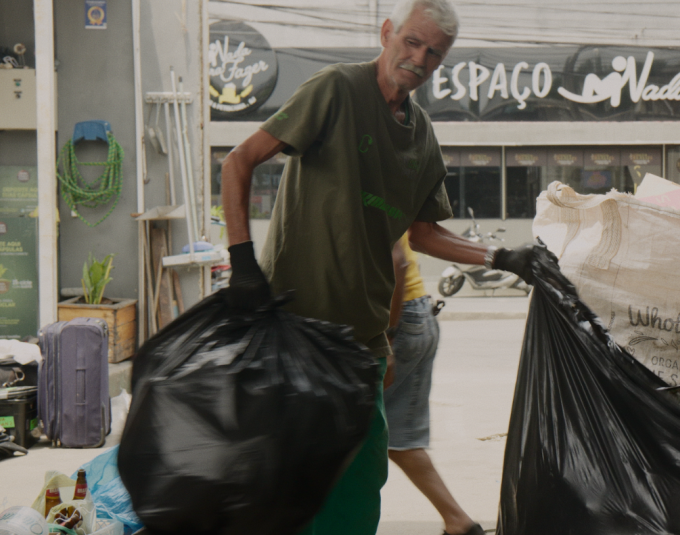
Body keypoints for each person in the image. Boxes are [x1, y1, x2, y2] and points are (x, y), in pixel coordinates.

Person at [219, 0, 537, 533]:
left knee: (358, 492)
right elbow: (238, 161)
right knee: (291, 489)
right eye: (412, 42)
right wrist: (242, 264)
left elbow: (422, 233)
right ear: (387, 32)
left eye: (434, 53)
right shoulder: (336, 90)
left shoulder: (421, 136)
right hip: (294, 331)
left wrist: (503, 258)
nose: (420, 59)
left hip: (361, 345)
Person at [385, 236, 482, 535]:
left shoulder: (366, 203)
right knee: (394, 436)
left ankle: (458, 521)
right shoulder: (392, 203)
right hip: (413, 312)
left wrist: (387, 337)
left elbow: (397, 260)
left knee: (387, 436)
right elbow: (421, 237)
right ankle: (457, 522)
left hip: (397, 317)